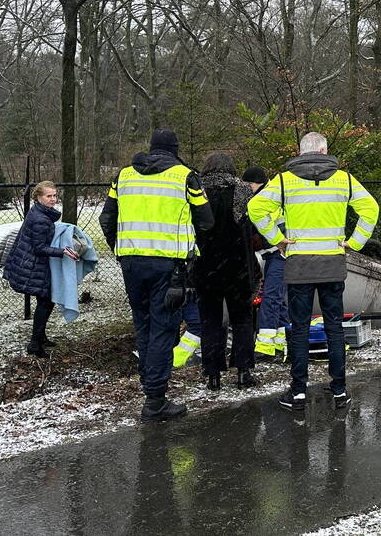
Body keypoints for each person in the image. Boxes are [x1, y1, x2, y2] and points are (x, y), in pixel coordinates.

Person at [247, 132, 379, 412]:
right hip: (332, 264)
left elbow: (255, 207)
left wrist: (277, 238)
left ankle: (298, 393)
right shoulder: (343, 179)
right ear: (323, 150)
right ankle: (340, 391)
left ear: (302, 151)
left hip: (299, 266)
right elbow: (371, 209)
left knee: (299, 328)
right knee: (333, 326)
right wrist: (353, 243)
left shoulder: (285, 180)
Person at [99, 128, 214, 422]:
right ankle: (155, 400)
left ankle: (149, 388)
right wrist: (190, 251)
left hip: (132, 263)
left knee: (143, 324)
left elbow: (106, 218)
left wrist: (121, 249)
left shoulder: (123, 176)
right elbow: (206, 221)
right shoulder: (185, 177)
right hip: (170, 266)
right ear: (174, 149)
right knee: (163, 328)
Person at [191, 152, 259, 390]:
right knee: (242, 319)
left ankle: (213, 375)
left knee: (209, 320)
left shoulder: (197, 190)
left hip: (206, 266)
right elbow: (252, 228)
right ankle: (243, 371)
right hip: (238, 266)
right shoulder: (242, 191)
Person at [4, 181, 79, 358]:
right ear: (38, 197)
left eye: (54, 195)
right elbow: (39, 248)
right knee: (45, 302)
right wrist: (63, 252)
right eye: (49, 196)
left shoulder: (38, 212)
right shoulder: (40, 219)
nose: (53, 199)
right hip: (33, 267)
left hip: (31, 264)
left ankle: (41, 337)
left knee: (46, 301)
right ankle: (35, 344)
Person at [242, 165, 289, 360]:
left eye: (248, 185)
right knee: (278, 298)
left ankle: (264, 347)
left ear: (255, 183)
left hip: (279, 253)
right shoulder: (273, 194)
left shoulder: (264, 199)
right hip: (278, 253)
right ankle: (281, 341)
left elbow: (265, 231)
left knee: (270, 297)